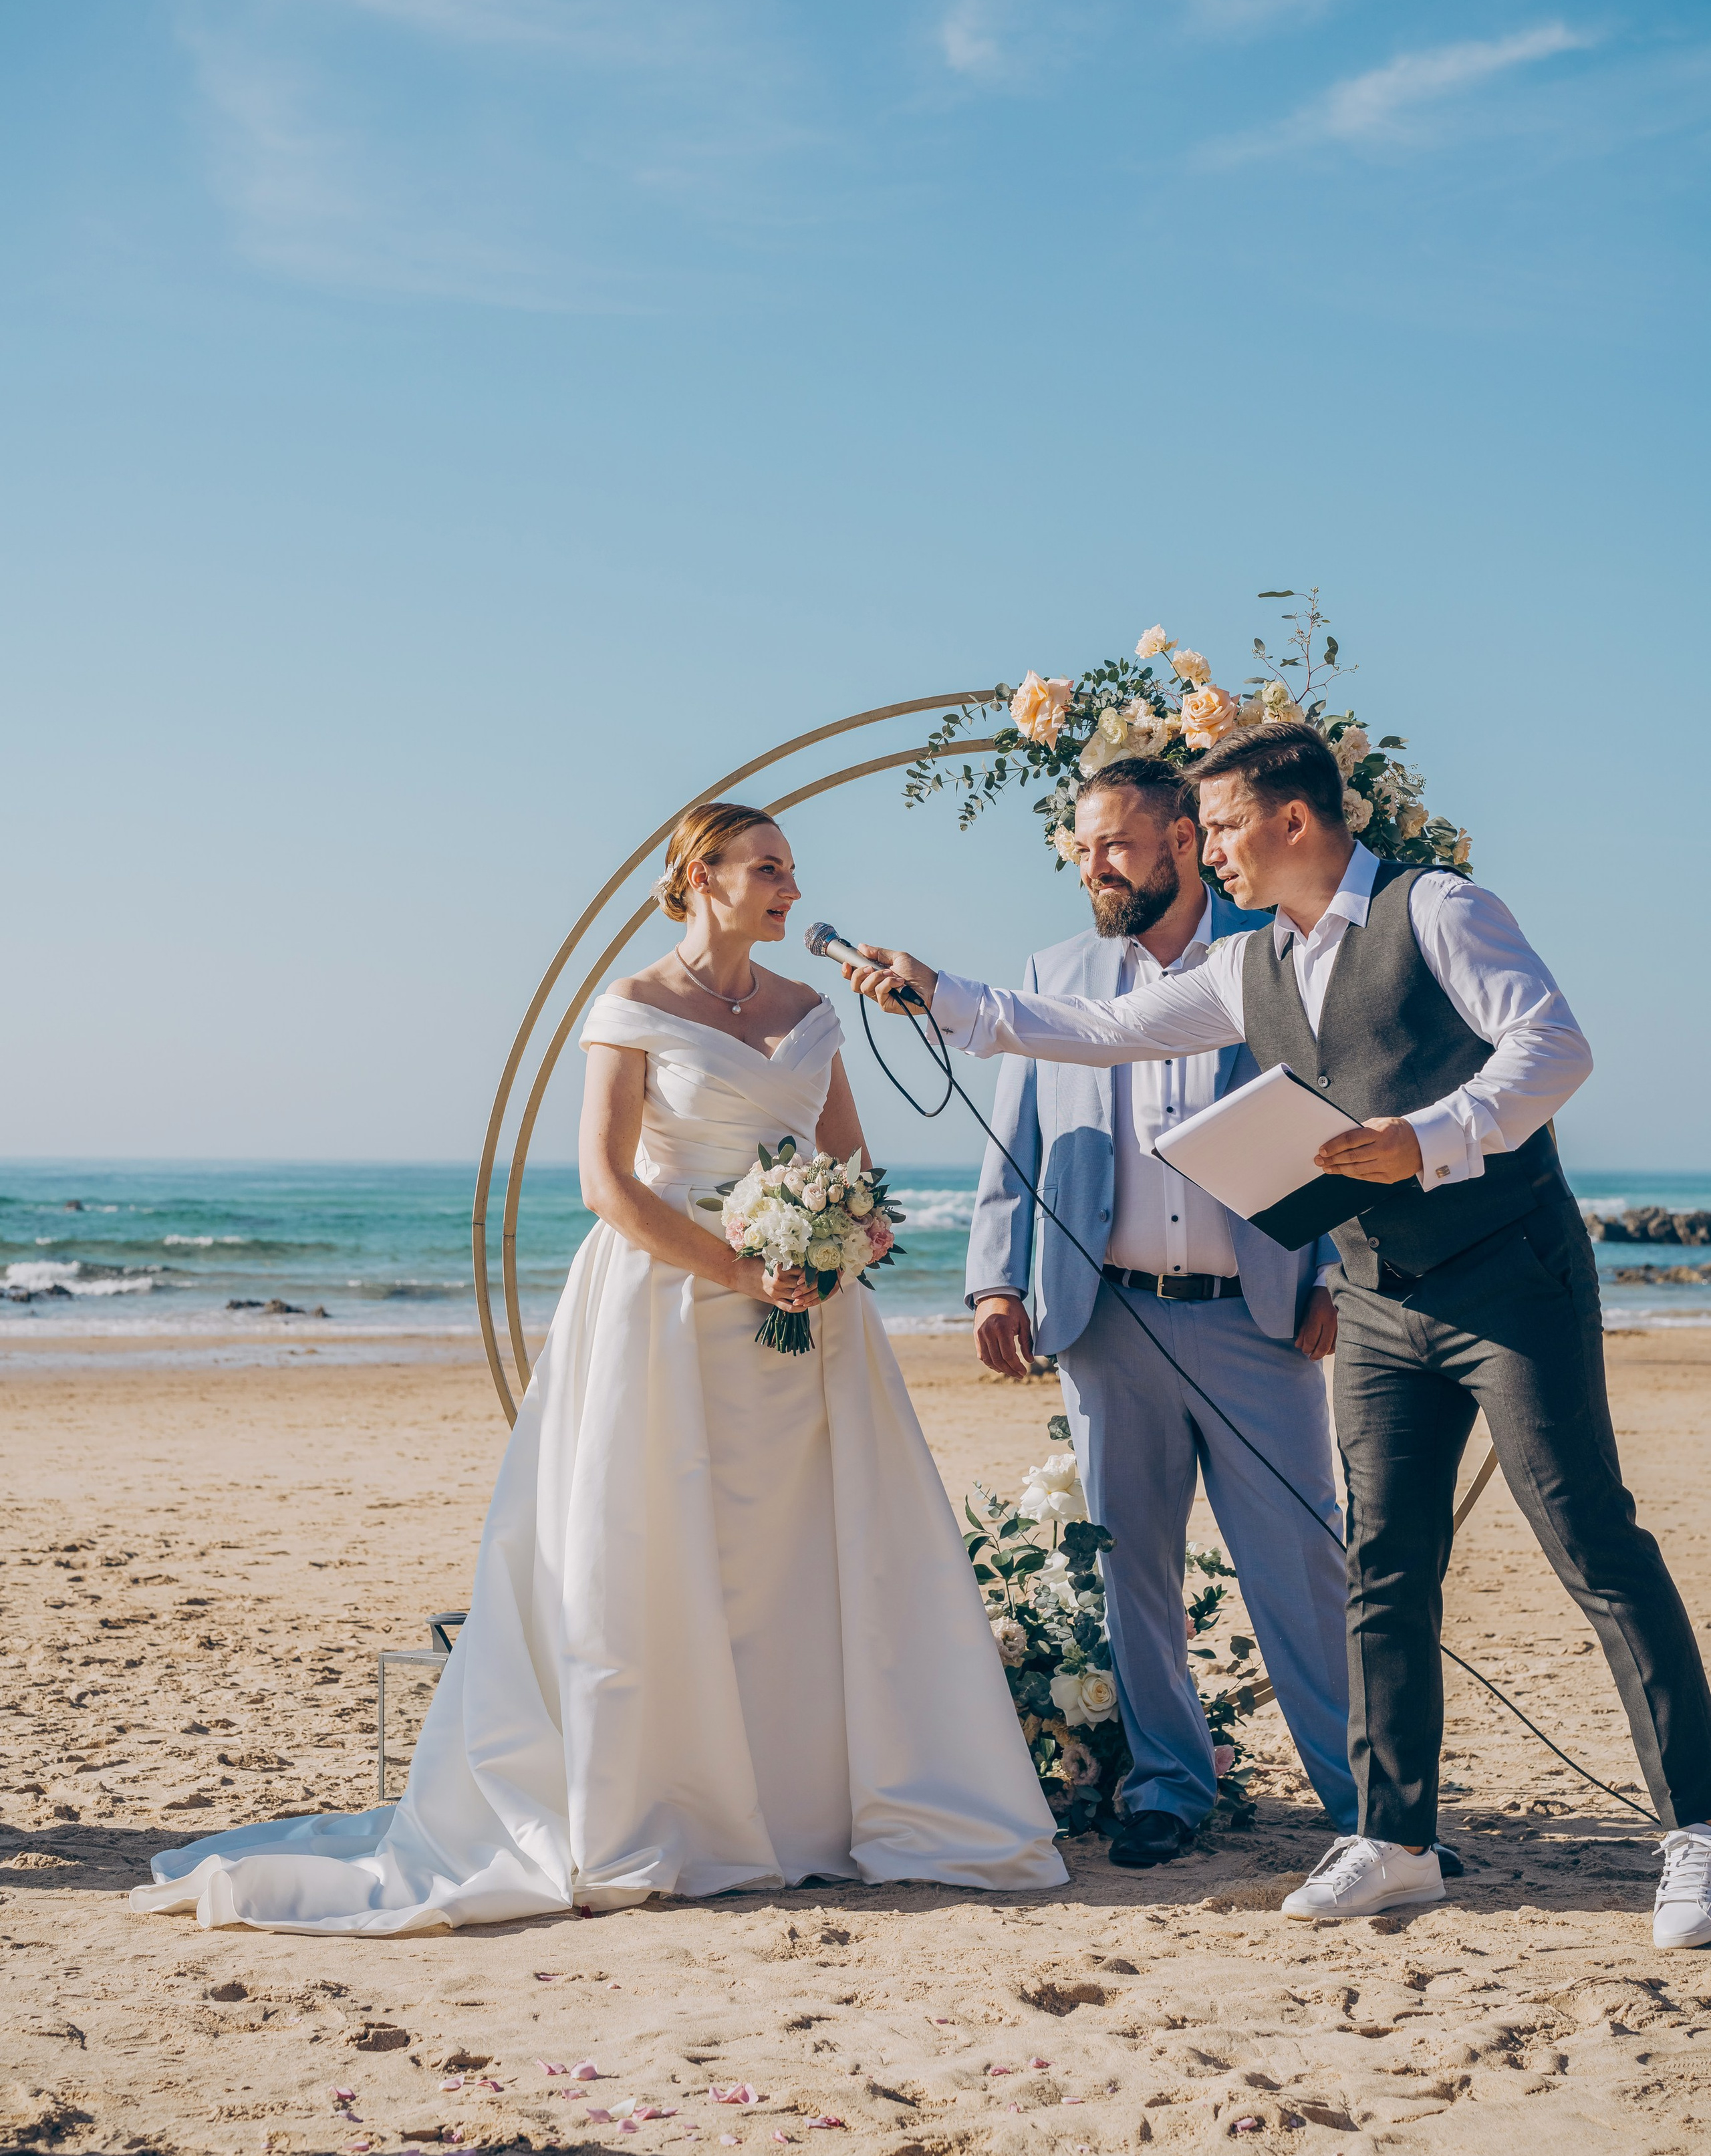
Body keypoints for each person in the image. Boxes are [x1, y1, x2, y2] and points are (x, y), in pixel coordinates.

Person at [843, 724, 1711, 1946]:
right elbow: (1092, 1032)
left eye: (1226, 829)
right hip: (1378, 1298)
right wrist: (939, 991)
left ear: (1292, 821)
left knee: (1592, 1543)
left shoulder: (1440, 910)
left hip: (1510, 1280)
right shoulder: (1255, 971)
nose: (1216, 857)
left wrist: (1432, 1136)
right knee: (1387, 1568)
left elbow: (1554, 1048)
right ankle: (1395, 1841)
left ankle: (1700, 1832)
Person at [132, 803, 1065, 1933]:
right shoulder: (631, 1007)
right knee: (654, 1548)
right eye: (767, 869)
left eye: (792, 871)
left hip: (808, 1325)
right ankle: (673, 1806)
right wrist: (739, 1268)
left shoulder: (815, 1010)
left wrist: (839, 1242)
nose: (790, 890)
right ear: (700, 877)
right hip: (665, 1311)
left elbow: (854, 1167)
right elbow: (608, 1186)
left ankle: (809, 1809)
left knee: (808, 1555)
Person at [966, 755, 1357, 1865]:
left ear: (1186, 841)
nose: (1092, 866)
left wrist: (1327, 1272)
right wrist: (998, 1280)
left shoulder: (1268, 955)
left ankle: (1365, 1807)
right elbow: (1015, 1142)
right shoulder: (1053, 972)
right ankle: (1168, 1791)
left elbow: (1331, 1116)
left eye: (1115, 845)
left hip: (1259, 1318)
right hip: (1108, 1320)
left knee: (1303, 1567)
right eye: (1081, 847)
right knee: (1130, 1569)